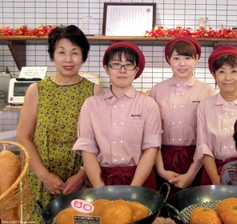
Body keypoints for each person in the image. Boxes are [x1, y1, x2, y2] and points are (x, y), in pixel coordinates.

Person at [16, 25, 103, 222]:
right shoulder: (36, 90)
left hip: (80, 181)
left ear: (83, 56)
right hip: (41, 179)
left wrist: (81, 175)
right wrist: (45, 176)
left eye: (75, 52)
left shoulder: (94, 91)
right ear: (53, 55)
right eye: (61, 52)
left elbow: (99, 140)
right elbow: (24, 136)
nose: (68, 59)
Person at [72, 42, 162, 191]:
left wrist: (134, 188)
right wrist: (100, 189)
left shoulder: (148, 104)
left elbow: (151, 148)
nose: (122, 70)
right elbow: (87, 149)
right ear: (107, 69)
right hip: (101, 178)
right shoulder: (91, 104)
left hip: (141, 181)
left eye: (128, 65)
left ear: (136, 70)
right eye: (116, 64)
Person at [149, 36, 215, 195]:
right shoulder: (157, 90)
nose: (182, 63)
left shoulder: (207, 91)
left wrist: (191, 173)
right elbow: (152, 134)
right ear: (168, 60)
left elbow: (206, 136)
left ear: (197, 59)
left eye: (187, 58)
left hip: (197, 160)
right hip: (162, 159)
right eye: (176, 58)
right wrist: (161, 170)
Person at [196, 45, 237, 185]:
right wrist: (216, 180)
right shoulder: (205, 106)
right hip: (212, 171)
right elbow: (203, 146)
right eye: (222, 71)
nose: (228, 78)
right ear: (214, 75)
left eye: (234, 71)